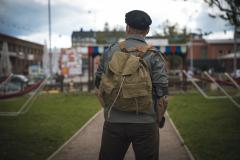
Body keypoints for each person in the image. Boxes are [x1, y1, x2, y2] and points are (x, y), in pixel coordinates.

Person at [95, 10, 168, 160]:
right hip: (146, 123)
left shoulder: (110, 51)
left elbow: (98, 82)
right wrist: (158, 118)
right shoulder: (154, 55)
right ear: (147, 31)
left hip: (114, 120)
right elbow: (162, 92)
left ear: (127, 27)